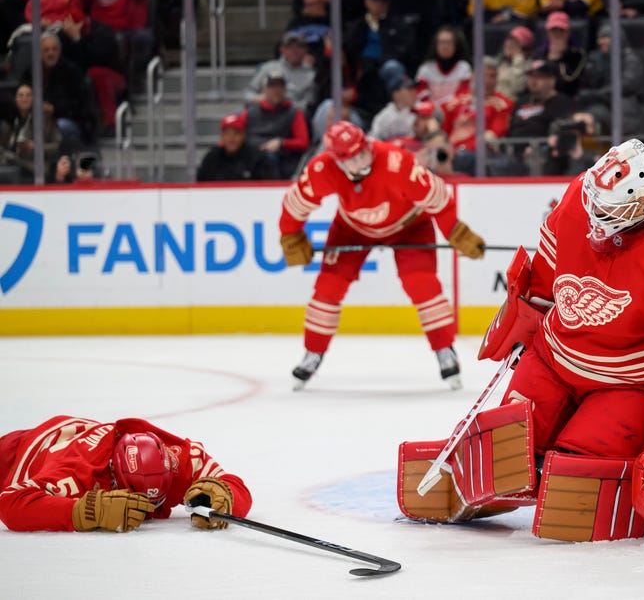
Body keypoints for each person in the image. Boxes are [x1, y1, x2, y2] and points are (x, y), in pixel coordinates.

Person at [399, 139, 644, 539]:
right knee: (504, 454)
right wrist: (525, 323)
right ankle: (517, 466)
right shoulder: (581, 194)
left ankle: (589, 460)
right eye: (594, 203)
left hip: (629, 385)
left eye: (610, 212)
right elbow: (546, 275)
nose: (595, 217)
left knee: (576, 477)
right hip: (553, 360)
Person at [278, 121, 486, 390]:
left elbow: (438, 199)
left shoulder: (396, 162)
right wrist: (291, 236)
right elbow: (294, 204)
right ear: (338, 162)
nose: (362, 160)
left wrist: (457, 233)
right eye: (353, 158)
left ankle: (445, 349)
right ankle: (312, 353)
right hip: (352, 229)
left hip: (410, 226)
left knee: (422, 283)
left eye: (363, 152)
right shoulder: (322, 169)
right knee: (328, 286)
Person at [0, 415, 251, 532]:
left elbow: (232, 484)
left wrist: (224, 495)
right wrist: (87, 511)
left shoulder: (178, 460)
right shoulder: (77, 475)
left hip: (64, 434)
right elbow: (10, 502)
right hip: (13, 454)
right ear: (113, 477)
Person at [244, 69, 311, 179]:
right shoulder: (250, 113)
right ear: (264, 89)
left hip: (283, 164)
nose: (276, 90)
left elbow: (303, 142)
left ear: (285, 89)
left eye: (280, 86)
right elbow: (233, 134)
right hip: (252, 159)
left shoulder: (294, 113)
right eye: (272, 86)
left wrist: (282, 143)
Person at [197, 112, 279, 182]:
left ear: (244, 135)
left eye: (236, 133)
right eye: (227, 133)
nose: (231, 138)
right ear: (222, 136)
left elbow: (269, 185)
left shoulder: (257, 157)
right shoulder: (212, 158)